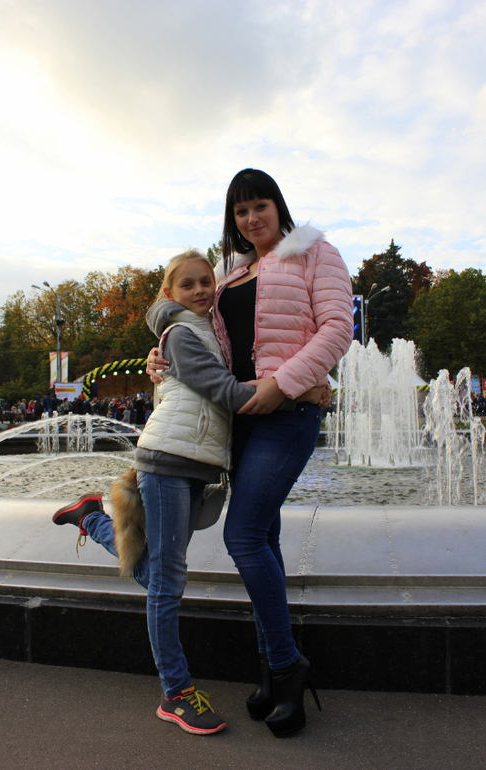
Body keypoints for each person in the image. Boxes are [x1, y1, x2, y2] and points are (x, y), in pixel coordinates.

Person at [147, 168, 353, 737]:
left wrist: (286, 383)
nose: (251, 218)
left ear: (277, 205)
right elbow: (191, 324)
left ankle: (287, 666)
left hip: (286, 415)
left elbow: (338, 328)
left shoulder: (316, 254)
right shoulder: (232, 272)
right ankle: (269, 670)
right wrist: (160, 355)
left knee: (242, 536)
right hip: (239, 419)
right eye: (240, 211)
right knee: (264, 538)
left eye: (259, 205)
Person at [52, 249, 265, 736]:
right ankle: (175, 693)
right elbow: (222, 390)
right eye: (187, 284)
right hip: (167, 461)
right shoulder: (183, 333)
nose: (200, 290)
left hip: (192, 464)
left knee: (163, 575)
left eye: (206, 281)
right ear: (169, 293)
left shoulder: (211, 330)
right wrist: (289, 390)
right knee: (167, 582)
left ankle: (92, 517)